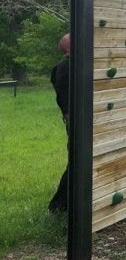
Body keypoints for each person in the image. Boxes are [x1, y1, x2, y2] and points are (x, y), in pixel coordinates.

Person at [47, 33, 70, 213]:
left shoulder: (57, 69)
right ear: (68, 49)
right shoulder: (72, 67)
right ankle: (57, 205)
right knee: (78, 163)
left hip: (71, 119)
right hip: (78, 121)